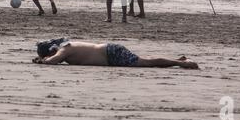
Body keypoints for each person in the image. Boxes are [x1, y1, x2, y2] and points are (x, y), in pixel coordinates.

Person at [32, 38, 199, 69]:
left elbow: (52, 62)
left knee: (146, 63)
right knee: (145, 61)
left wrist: (42, 61)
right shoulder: (66, 46)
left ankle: (182, 63)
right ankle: (178, 60)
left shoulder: (63, 50)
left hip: (110, 54)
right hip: (109, 51)